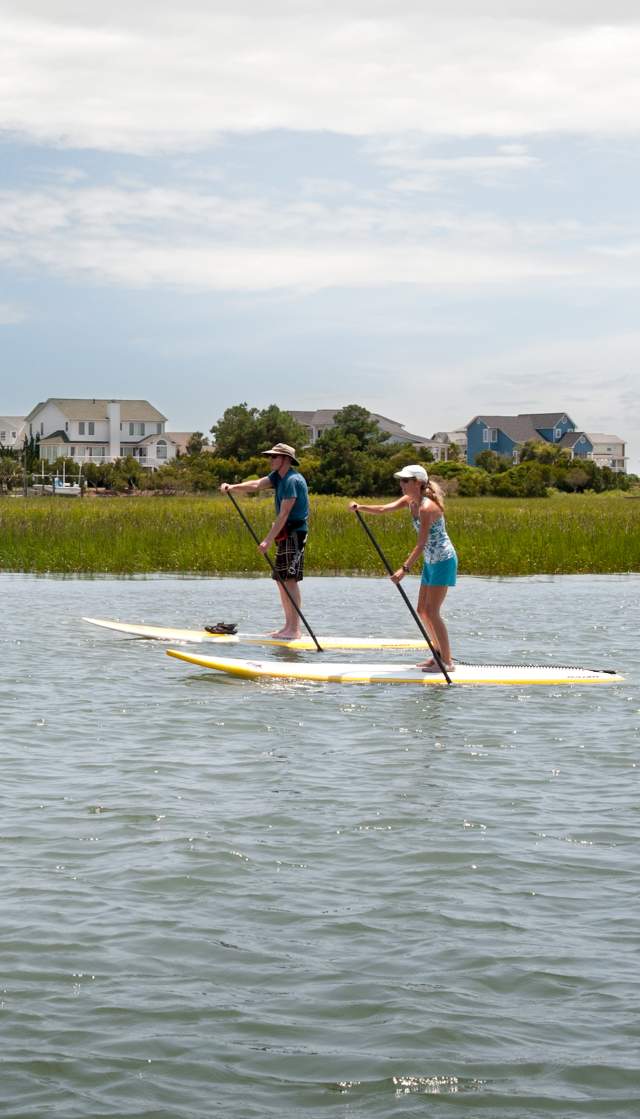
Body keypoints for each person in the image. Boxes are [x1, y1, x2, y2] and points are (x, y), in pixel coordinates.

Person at [350, 464, 457, 672]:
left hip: (443, 560)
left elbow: (421, 543)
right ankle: (437, 655)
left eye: (405, 481)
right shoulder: (410, 501)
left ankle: (448, 662)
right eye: (401, 480)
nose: (401, 484)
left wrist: (404, 569)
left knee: (433, 611)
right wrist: (360, 507)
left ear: (418, 483)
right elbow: (383, 509)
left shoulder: (427, 508)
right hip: (431, 561)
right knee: (422, 611)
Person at [220, 443, 309, 639]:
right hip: (285, 534)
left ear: (285, 459)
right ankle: (287, 627)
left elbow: (284, 514)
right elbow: (256, 485)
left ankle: (294, 630)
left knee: (290, 581)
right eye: (270, 457)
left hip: (295, 534)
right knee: (281, 580)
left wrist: (267, 540)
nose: (270, 460)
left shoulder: (292, 480)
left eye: (274, 457)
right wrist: (232, 487)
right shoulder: (279, 477)